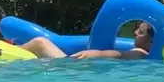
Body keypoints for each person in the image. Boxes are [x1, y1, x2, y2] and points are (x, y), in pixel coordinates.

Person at [22, 21, 153, 60]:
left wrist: (97, 54)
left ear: (151, 41)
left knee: (40, 42)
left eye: (140, 32)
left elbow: (120, 55)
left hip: (70, 66)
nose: (135, 32)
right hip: (75, 67)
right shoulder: (148, 55)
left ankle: (11, 50)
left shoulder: (140, 53)